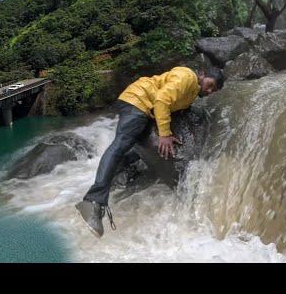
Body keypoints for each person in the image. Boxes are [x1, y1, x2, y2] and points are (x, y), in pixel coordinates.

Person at [76, 66, 224, 238]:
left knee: (130, 149)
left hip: (145, 107)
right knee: (119, 146)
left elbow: (173, 105)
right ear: (202, 74)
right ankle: (92, 202)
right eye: (210, 84)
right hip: (138, 101)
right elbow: (162, 100)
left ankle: (115, 178)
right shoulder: (188, 77)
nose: (209, 90)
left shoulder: (191, 92)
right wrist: (165, 134)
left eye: (214, 90)